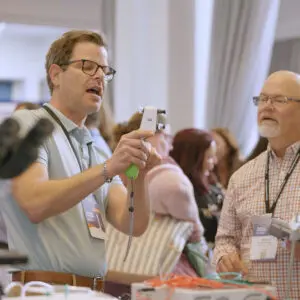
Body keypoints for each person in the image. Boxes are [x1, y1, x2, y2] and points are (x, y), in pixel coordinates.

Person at [1, 30, 160, 292]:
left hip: (93, 290)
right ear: (55, 75)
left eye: (105, 71)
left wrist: (137, 175)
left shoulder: (94, 150)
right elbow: (34, 202)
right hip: (44, 290)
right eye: (87, 66)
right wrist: (109, 169)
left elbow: (133, 224)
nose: (99, 76)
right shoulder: (27, 125)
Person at [214, 70, 300, 299]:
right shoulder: (242, 177)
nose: (267, 106)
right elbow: (224, 240)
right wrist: (224, 258)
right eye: (262, 99)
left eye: (279, 100)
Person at [114, 113, 208, 277]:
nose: (171, 146)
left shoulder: (119, 165)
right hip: (164, 269)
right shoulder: (168, 178)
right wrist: (197, 231)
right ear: (154, 134)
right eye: (168, 137)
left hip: (120, 265)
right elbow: (178, 193)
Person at [170, 129, 224, 247]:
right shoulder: (180, 192)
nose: (215, 161)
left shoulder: (214, 186)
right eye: (209, 157)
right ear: (192, 160)